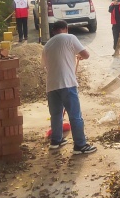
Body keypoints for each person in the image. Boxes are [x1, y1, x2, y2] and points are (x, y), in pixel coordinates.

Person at [41, 20, 96, 154]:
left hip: (51, 85)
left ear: (54, 31)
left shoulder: (47, 45)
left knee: (56, 115)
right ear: (66, 29)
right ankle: (80, 145)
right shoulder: (70, 37)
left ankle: (56, 141)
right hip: (67, 84)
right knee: (75, 115)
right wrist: (78, 55)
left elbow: (45, 64)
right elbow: (86, 55)